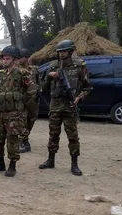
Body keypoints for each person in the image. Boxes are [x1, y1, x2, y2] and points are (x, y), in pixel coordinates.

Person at [39, 39, 92, 176]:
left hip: (70, 105)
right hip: (55, 105)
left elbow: (88, 87)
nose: (62, 54)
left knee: (73, 136)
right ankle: (50, 160)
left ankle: (74, 164)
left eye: (64, 51)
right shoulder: (53, 66)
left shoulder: (79, 66)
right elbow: (43, 87)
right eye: (60, 51)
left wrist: (79, 97)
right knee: (53, 134)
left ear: (71, 51)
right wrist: (50, 77)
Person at [0, 46, 37, 177]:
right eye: (4, 58)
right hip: (1, 113)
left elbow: (32, 91)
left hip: (15, 114)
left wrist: (21, 106)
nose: (5, 60)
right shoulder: (2, 74)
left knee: (12, 140)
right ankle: (0, 162)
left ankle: (12, 165)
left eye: (8, 58)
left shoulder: (22, 73)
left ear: (15, 59)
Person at [18, 48, 40, 153]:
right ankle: (24, 142)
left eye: (21, 57)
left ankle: (24, 138)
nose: (19, 59)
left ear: (27, 58)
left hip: (33, 99)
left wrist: (39, 91)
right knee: (22, 120)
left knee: (31, 120)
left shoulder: (35, 69)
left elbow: (38, 82)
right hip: (22, 100)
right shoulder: (17, 70)